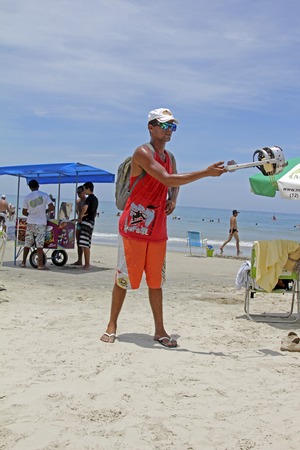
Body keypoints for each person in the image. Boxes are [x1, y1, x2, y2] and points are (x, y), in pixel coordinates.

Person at [100, 107, 227, 347]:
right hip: (134, 226)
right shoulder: (142, 153)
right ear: (151, 127)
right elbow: (167, 179)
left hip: (158, 228)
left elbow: (173, 180)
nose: (169, 131)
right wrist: (206, 173)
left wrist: (173, 199)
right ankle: (112, 325)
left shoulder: (170, 157)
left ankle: (160, 330)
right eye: (165, 125)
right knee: (124, 279)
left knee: (156, 281)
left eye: (173, 127)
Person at [21, 179, 55, 270]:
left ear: (30, 187)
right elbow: (52, 207)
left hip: (30, 222)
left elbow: (24, 212)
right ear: (38, 186)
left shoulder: (27, 197)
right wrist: (45, 211)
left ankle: (23, 262)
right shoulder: (45, 195)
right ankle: (40, 265)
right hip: (41, 223)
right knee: (39, 244)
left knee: (27, 243)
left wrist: (31, 214)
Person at [77, 181, 98, 270]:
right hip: (92, 221)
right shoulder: (96, 199)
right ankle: (86, 263)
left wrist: (81, 216)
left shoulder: (89, 198)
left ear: (88, 189)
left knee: (85, 243)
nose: (84, 191)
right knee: (87, 243)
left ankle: (87, 264)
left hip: (87, 221)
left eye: (85, 189)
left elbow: (85, 207)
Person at [71, 185, 87, 266]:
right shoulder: (78, 201)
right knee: (78, 242)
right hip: (79, 223)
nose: (78, 194)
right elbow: (78, 212)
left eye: (80, 192)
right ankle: (79, 259)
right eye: (77, 193)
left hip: (85, 223)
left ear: (84, 192)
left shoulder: (87, 201)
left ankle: (85, 260)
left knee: (84, 242)